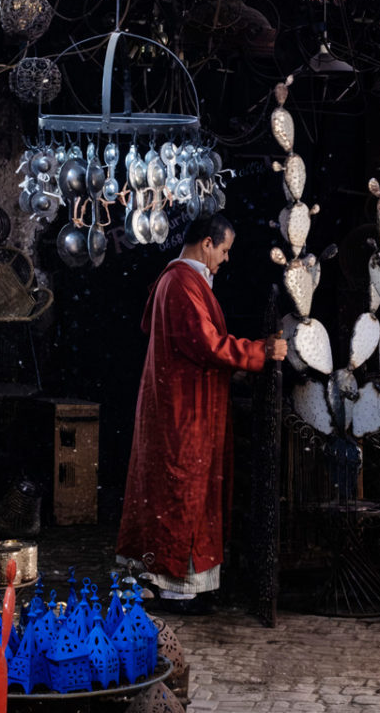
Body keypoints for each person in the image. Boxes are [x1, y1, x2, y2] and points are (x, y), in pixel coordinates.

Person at [117, 213, 287, 611]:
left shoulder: (178, 280)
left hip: (176, 403)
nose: (226, 259)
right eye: (224, 250)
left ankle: (152, 578)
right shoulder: (180, 282)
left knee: (166, 490)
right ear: (206, 243)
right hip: (183, 408)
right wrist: (261, 351)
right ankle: (177, 588)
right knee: (183, 490)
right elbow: (206, 343)